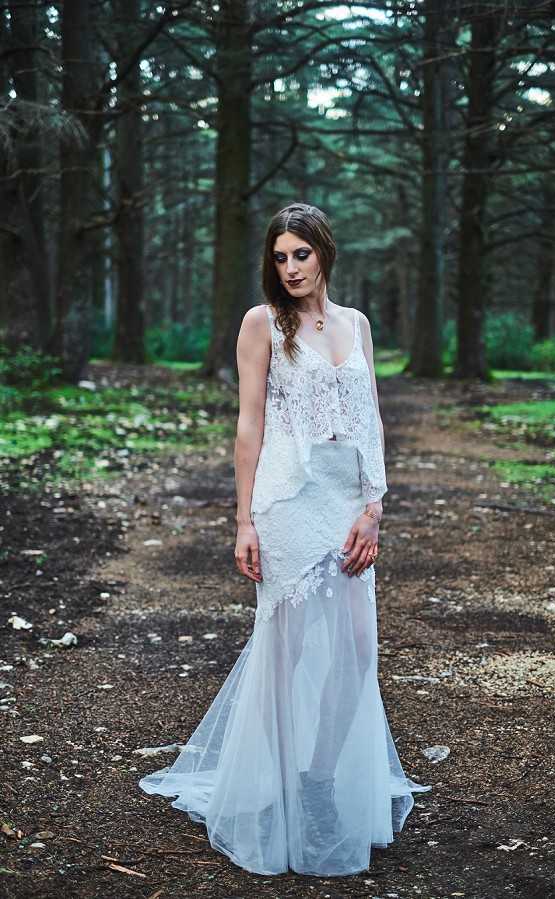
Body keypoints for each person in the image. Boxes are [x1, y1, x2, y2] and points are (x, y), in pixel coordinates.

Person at [138, 202, 431, 876]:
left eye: (302, 253)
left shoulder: (356, 324)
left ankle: (319, 773)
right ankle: (279, 789)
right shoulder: (261, 323)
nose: (291, 267)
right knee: (289, 651)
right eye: (280, 256)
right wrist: (243, 518)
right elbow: (248, 425)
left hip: (346, 501)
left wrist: (375, 507)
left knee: (356, 652)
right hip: (287, 502)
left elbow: (372, 419)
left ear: (324, 252)